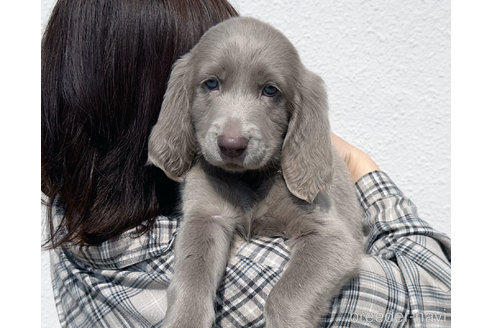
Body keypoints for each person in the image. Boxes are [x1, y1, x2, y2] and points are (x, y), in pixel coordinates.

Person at [42, 0, 451, 327]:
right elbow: (444, 298)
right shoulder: (245, 279)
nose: (232, 134)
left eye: (269, 91)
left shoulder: (73, 222)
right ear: (167, 94)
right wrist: (362, 165)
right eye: (211, 84)